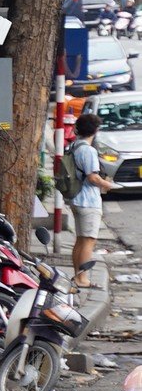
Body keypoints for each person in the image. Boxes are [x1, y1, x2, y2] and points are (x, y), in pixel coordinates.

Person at [70, 112, 116, 289]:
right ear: (95, 130)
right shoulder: (88, 150)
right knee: (88, 241)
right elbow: (92, 177)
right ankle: (82, 279)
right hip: (88, 200)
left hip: (76, 198)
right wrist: (108, 185)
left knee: (80, 240)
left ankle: (78, 276)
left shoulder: (74, 146)